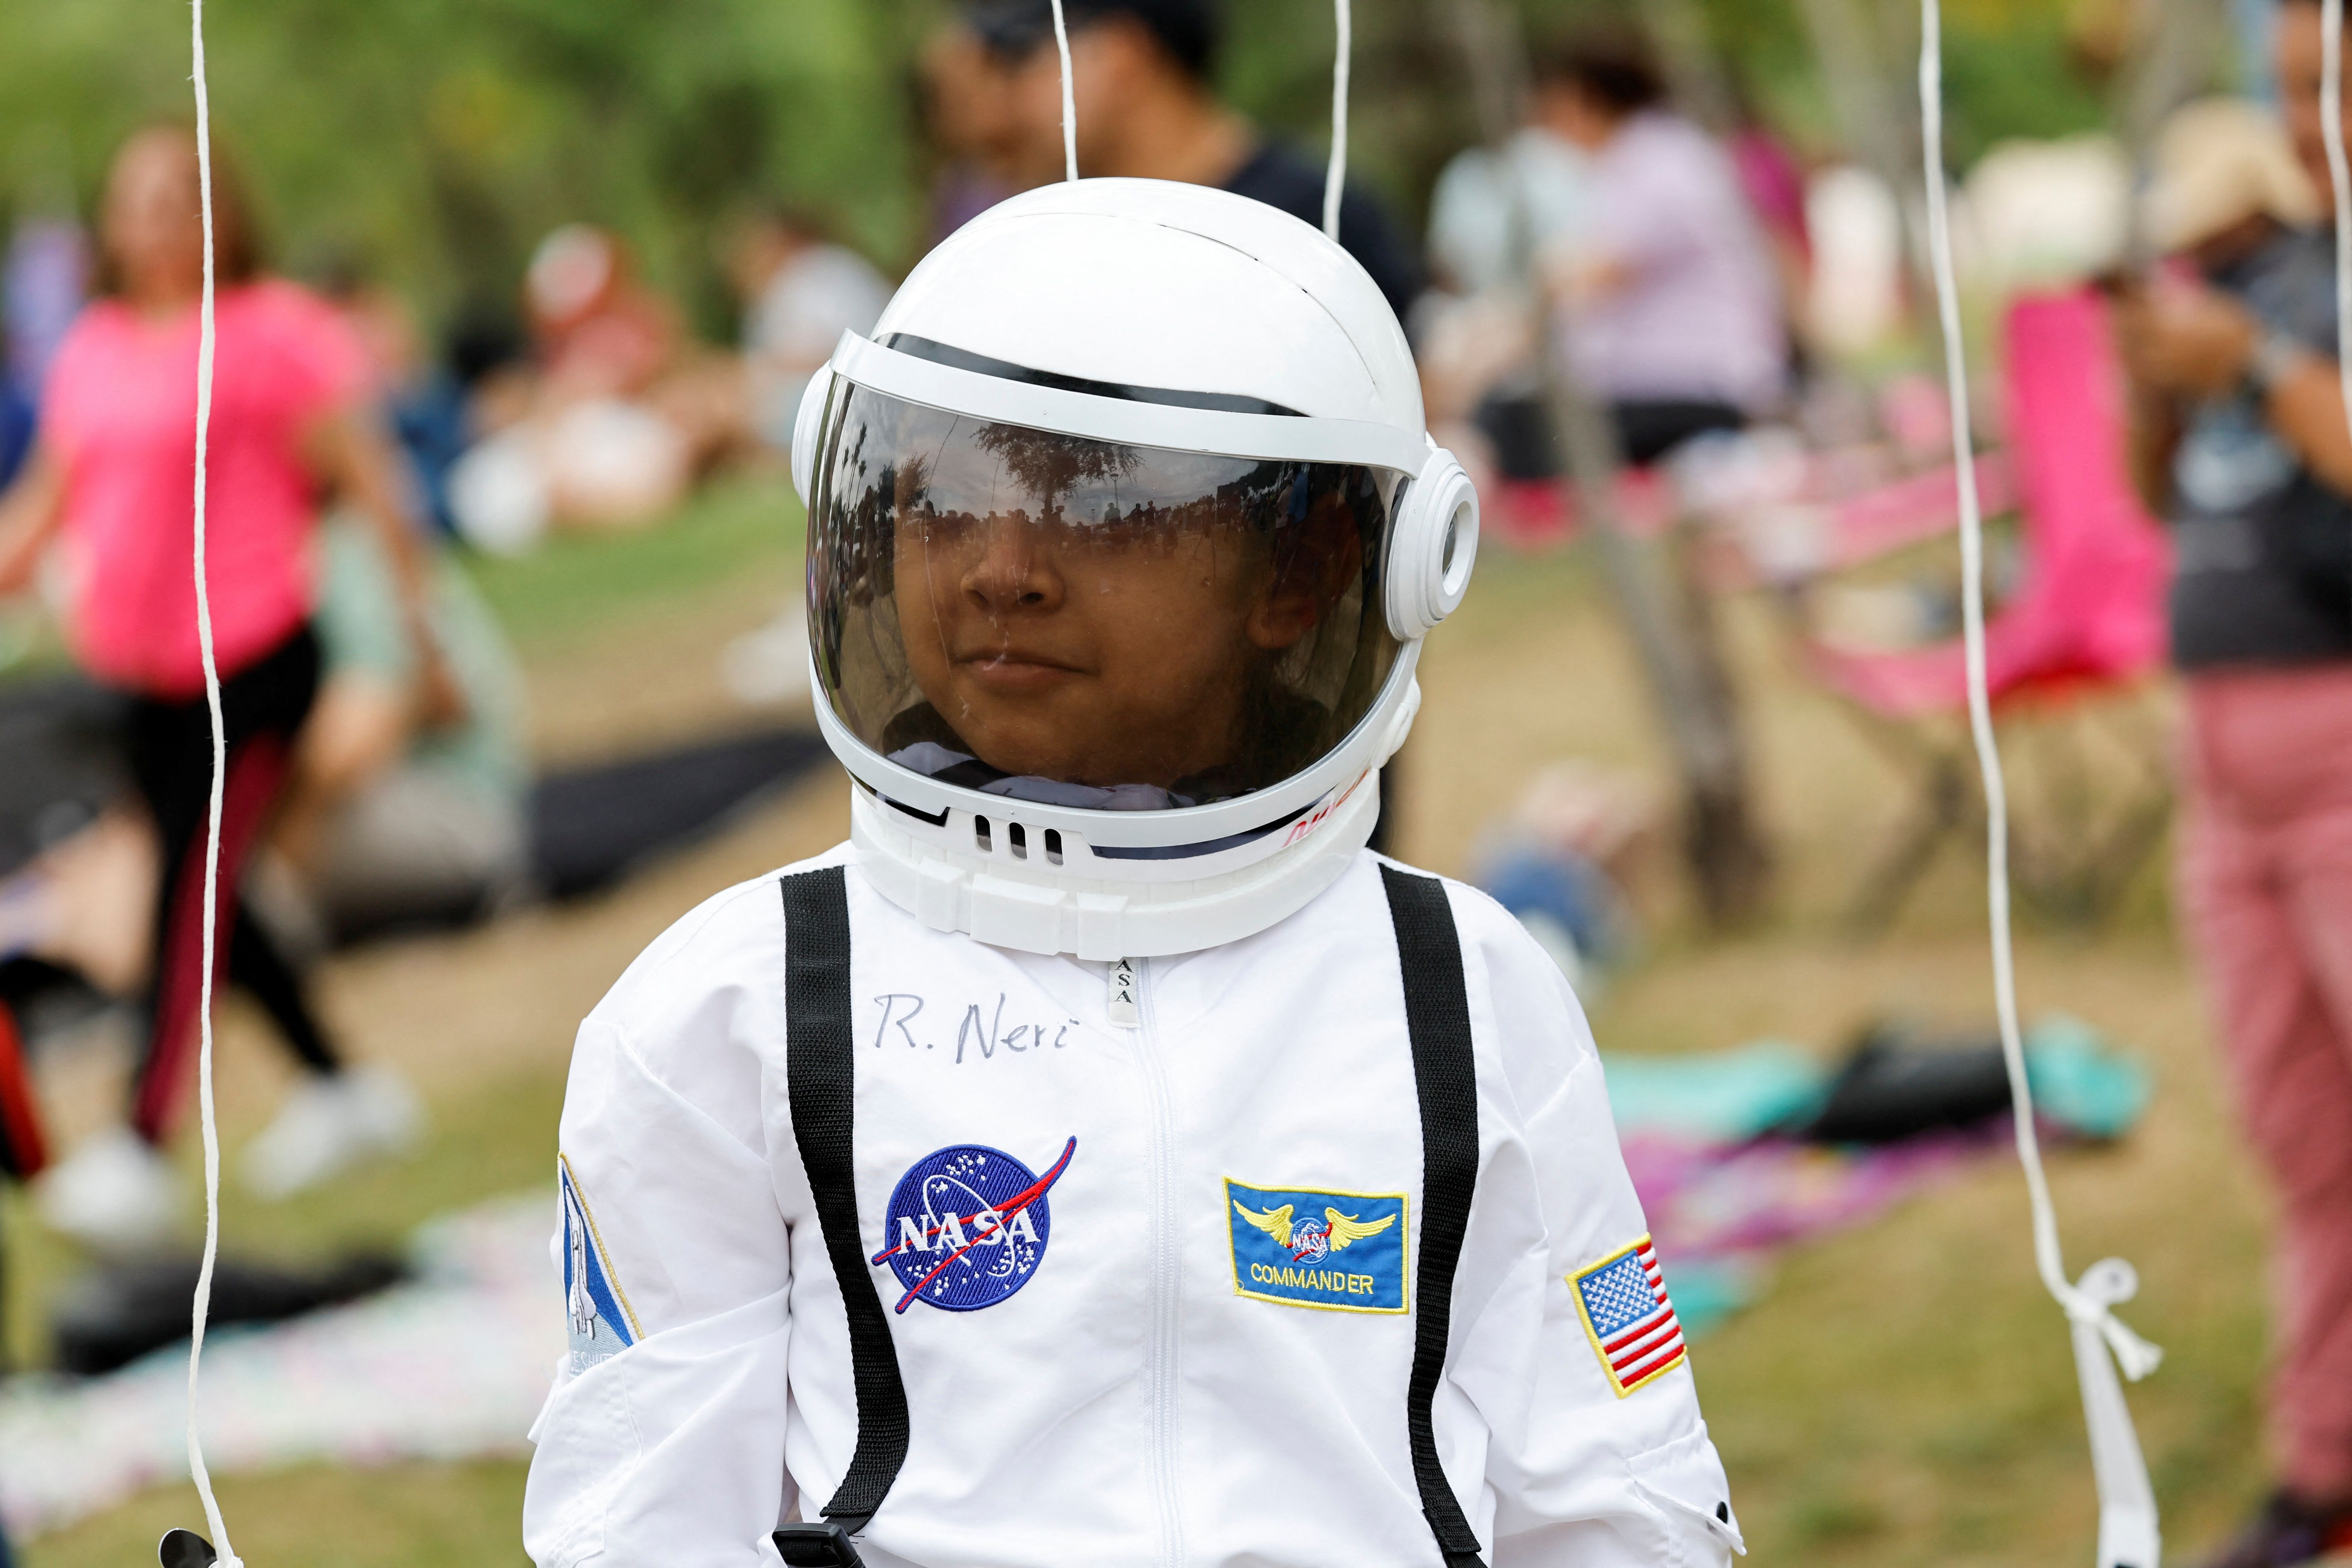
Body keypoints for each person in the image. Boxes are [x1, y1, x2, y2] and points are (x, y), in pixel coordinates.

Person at [523, 177, 1740, 1567]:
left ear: (1321, 566)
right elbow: (641, 1522)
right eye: (945, 496)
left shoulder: (1460, 992)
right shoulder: (732, 1010)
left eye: (1101, 504)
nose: (1000, 568)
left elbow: (1618, 1494)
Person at [0, 126, 427, 1249]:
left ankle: (138, 1145)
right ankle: (342, 1087)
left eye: (173, 197)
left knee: (184, 897)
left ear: (219, 210)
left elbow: (372, 486)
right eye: (129, 200)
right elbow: (45, 504)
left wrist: (416, 645)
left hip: (253, 662)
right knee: (213, 897)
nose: (149, 220)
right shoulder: (91, 348)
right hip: (137, 681)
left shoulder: (273, 333)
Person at [2114, 38, 2352, 1568]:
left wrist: (2258, 373)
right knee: (2301, 1135)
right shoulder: (2270, 276)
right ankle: (2325, 1457)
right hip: (2226, 763)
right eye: (2286, 75)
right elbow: (2168, 494)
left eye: (2329, 70)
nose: (2300, 107)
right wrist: (2166, 379)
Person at [963, 0, 1423, 322]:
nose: (1004, 104)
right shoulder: (1068, 231)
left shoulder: (1315, 224)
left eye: (1020, 59)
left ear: (1124, 57)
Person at [1538, 23, 1787, 466]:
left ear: (1584, 99)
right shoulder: (1653, 154)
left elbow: (1592, 275)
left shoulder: (1655, 163)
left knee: (1518, 429)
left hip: (1692, 383)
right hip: (1684, 379)